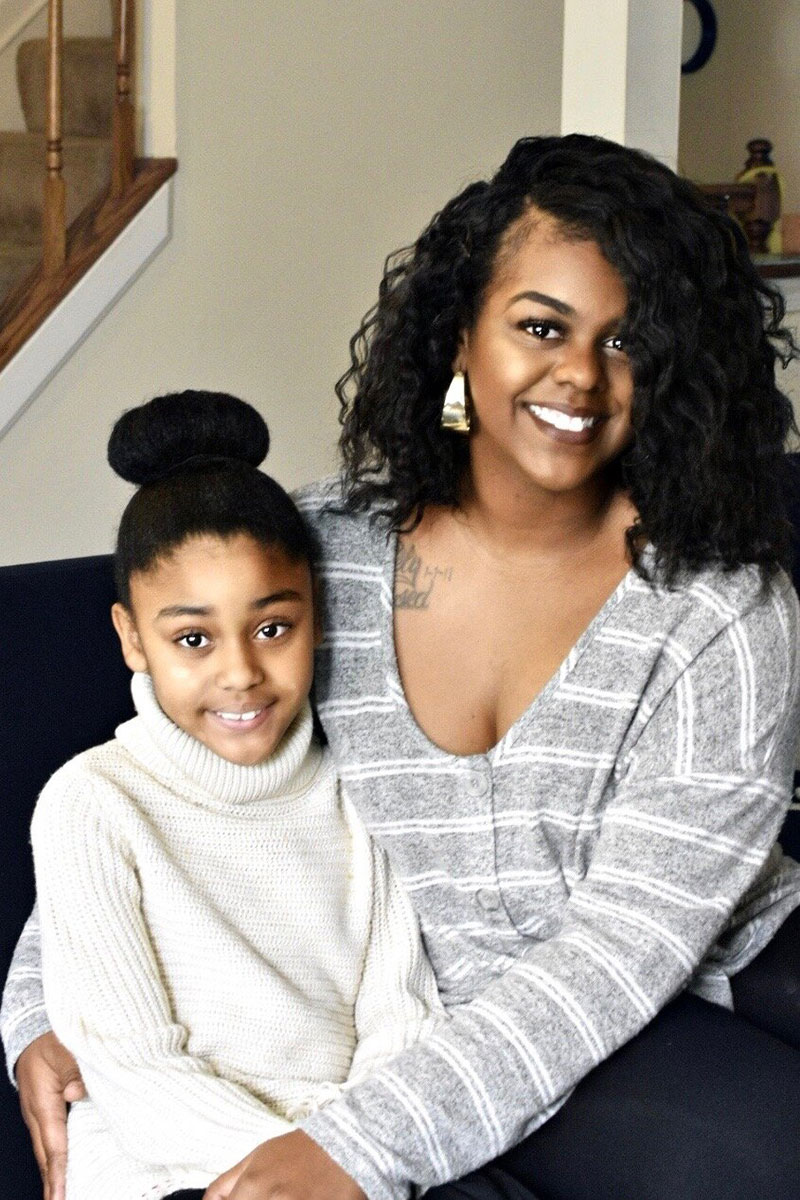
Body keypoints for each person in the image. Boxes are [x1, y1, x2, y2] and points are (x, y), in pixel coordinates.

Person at [5, 134, 800, 1200]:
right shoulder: (322, 557)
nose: (579, 374)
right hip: (453, 1003)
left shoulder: (719, 608)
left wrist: (361, 1146)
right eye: (539, 326)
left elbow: (625, 942)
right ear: (460, 334)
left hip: (693, 947)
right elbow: (154, 784)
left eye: (626, 341)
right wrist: (40, 1009)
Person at [12, 390, 443, 1200]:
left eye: (273, 628)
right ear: (132, 638)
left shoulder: (362, 787)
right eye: (193, 639)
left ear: (317, 616)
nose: (241, 672)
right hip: (156, 1170)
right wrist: (316, 1165)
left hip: (346, 1162)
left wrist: (350, 1157)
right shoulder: (91, 803)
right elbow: (132, 1070)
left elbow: (403, 1019)